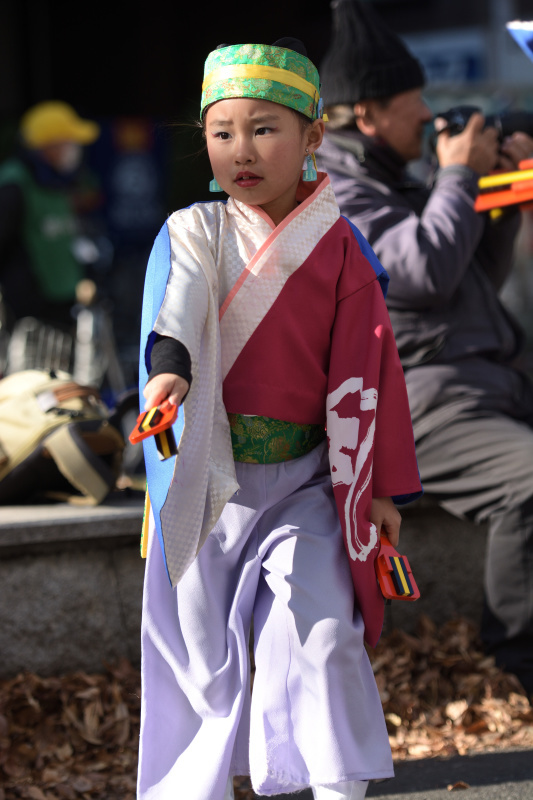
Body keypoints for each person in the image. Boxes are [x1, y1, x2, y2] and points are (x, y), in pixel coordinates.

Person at [136, 38, 422, 800]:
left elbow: (374, 371)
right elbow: (177, 314)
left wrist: (383, 490)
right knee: (198, 655)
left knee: (321, 630)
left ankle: (329, 782)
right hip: (209, 469)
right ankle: (187, 788)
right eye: (222, 131)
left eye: (264, 128)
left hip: (306, 481)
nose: (242, 150)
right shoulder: (193, 232)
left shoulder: (340, 245)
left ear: (312, 135)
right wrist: (166, 379)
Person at [317, 0, 533, 697]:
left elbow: (471, 279)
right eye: (416, 105)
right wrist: (458, 176)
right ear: (368, 112)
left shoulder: (399, 179)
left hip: (486, 383)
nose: (431, 119)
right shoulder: (335, 194)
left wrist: (502, 198)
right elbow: (420, 273)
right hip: (418, 402)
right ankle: (516, 667)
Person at [0, 101, 100, 327]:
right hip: (26, 315)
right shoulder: (13, 184)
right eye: (69, 143)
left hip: (63, 302)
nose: (75, 150)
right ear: (48, 146)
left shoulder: (61, 179)